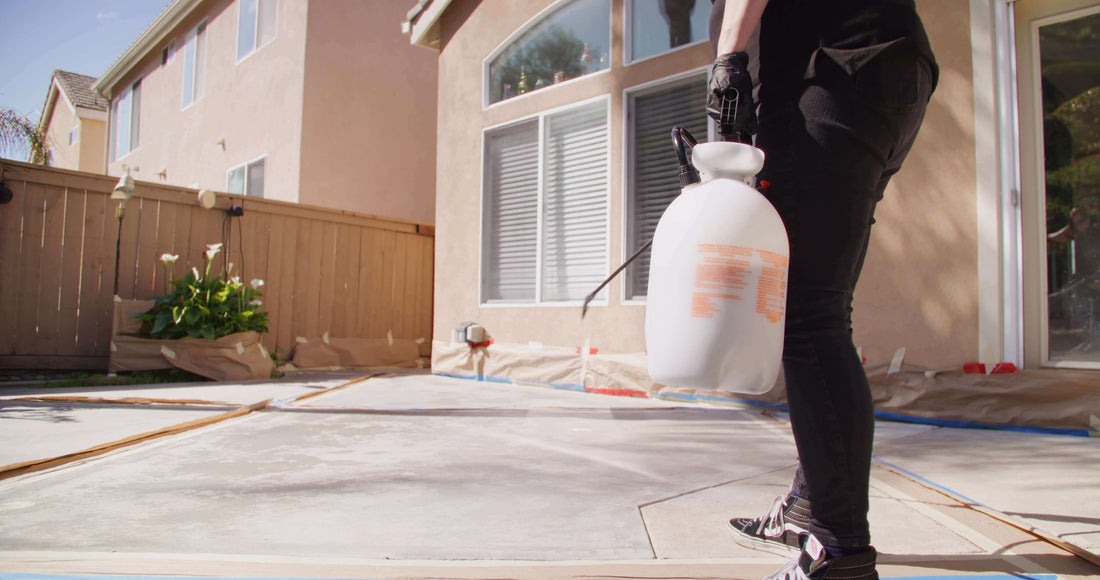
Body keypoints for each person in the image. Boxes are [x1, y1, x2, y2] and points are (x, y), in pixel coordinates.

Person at [705, 1, 938, 579]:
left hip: (832, 69)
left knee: (809, 316)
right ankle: (812, 505)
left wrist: (728, 58)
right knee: (823, 307)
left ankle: (839, 550)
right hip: (880, 71)